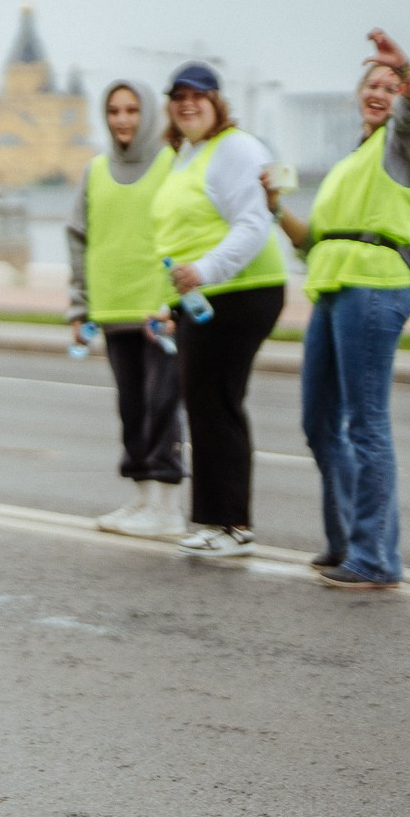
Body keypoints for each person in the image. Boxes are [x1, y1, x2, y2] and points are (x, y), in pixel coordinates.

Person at [268, 30, 410, 591]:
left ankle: (375, 558)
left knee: (366, 424)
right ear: (356, 94)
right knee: (319, 423)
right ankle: (349, 542)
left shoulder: (406, 145)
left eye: (392, 87)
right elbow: (314, 240)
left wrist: (407, 68)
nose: (381, 92)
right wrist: (273, 207)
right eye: (373, 83)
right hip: (334, 287)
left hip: (375, 286)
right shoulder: (353, 160)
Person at [149, 62, 285, 558]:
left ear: (218, 102)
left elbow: (253, 223)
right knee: (204, 405)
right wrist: (170, 303)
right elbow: (179, 234)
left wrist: (205, 270)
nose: (188, 104)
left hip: (242, 289)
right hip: (203, 297)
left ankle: (232, 524)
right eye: (179, 96)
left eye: (199, 96)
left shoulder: (235, 148)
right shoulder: (187, 154)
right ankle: (211, 519)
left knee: (217, 403)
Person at [64, 81, 186, 537]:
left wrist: (175, 300)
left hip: (158, 311)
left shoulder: (173, 165)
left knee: (162, 403)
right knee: (131, 406)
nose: (122, 119)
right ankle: (141, 500)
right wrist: (80, 308)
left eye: (132, 110)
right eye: (114, 110)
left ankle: (168, 506)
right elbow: (78, 238)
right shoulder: (95, 171)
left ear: (149, 113)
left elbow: (189, 229)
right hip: (112, 309)